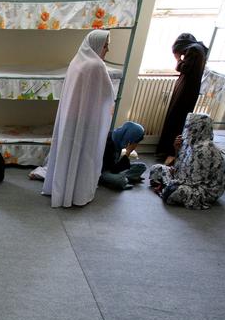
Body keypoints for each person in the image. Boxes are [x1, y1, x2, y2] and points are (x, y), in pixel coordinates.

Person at [41, 29, 115, 207]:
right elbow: (107, 95)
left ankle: (60, 189)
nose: (107, 50)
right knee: (84, 156)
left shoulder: (77, 60)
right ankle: (76, 193)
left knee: (67, 153)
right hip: (86, 120)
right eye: (105, 46)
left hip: (71, 117)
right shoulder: (95, 66)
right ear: (97, 45)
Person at [149, 113, 225, 209]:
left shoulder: (206, 149)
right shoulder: (190, 141)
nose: (188, 129)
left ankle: (165, 188)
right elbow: (178, 165)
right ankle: (165, 187)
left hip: (203, 189)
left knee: (172, 191)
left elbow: (194, 181)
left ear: (201, 128)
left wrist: (173, 181)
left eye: (191, 126)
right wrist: (176, 149)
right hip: (185, 178)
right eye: (187, 125)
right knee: (156, 169)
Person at [155, 33, 208, 162]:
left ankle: (169, 151)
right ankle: (170, 150)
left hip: (185, 91)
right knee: (178, 120)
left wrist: (178, 59)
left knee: (175, 119)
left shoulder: (193, 50)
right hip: (189, 90)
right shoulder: (199, 49)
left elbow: (184, 68)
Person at [99, 121, 147, 190]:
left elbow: (116, 164)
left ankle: (124, 178)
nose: (133, 143)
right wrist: (128, 152)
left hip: (114, 167)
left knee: (141, 166)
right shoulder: (109, 142)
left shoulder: (119, 139)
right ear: (130, 136)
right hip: (103, 171)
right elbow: (114, 169)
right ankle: (123, 179)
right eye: (134, 141)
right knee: (120, 180)